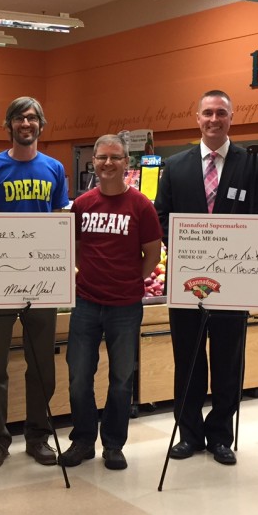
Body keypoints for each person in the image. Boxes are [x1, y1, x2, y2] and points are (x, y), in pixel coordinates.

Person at [153, 89, 258, 466]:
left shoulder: (251, 164)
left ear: (231, 118)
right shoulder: (175, 165)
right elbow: (161, 216)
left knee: (228, 361)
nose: (214, 119)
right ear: (197, 118)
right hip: (187, 281)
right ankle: (188, 434)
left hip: (233, 283)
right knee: (187, 359)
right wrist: (186, 252)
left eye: (221, 113)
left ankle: (221, 434)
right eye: (207, 113)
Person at [0, 96, 69, 469]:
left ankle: (38, 435)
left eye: (32, 118)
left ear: (41, 124)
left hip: (42, 279)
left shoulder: (55, 168)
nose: (25, 124)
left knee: (41, 362)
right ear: (8, 124)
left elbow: (60, 220)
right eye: (18, 118)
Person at [60, 134, 162, 470]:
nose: (107, 163)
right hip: (86, 302)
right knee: (79, 376)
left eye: (115, 157)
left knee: (121, 380)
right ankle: (83, 441)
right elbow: (74, 246)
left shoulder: (141, 205)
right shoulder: (83, 204)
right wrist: (84, 273)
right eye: (102, 157)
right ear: (95, 162)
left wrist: (133, 278)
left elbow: (152, 251)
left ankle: (114, 445)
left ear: (126, 163)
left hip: (125, 307)